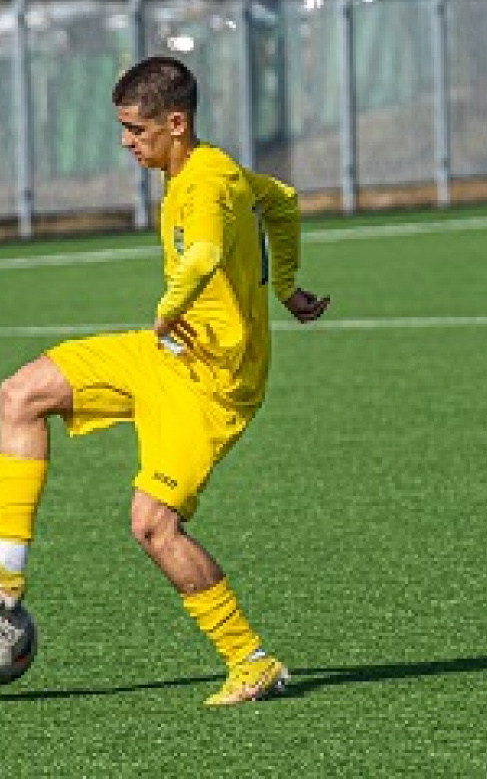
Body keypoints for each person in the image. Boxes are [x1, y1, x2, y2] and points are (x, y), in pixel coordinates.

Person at [0, 56, 330, 706]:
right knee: (19, 396)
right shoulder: (205, 169)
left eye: (135, 129)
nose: (126, 141)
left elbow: (205, 253)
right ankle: (5, 589)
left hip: (212, 385)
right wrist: (285, 287)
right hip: (162, 356)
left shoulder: (208, 185)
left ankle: (251, 661)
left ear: (175, 123)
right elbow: (284, 203)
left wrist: (173, 303)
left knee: (152, 525)